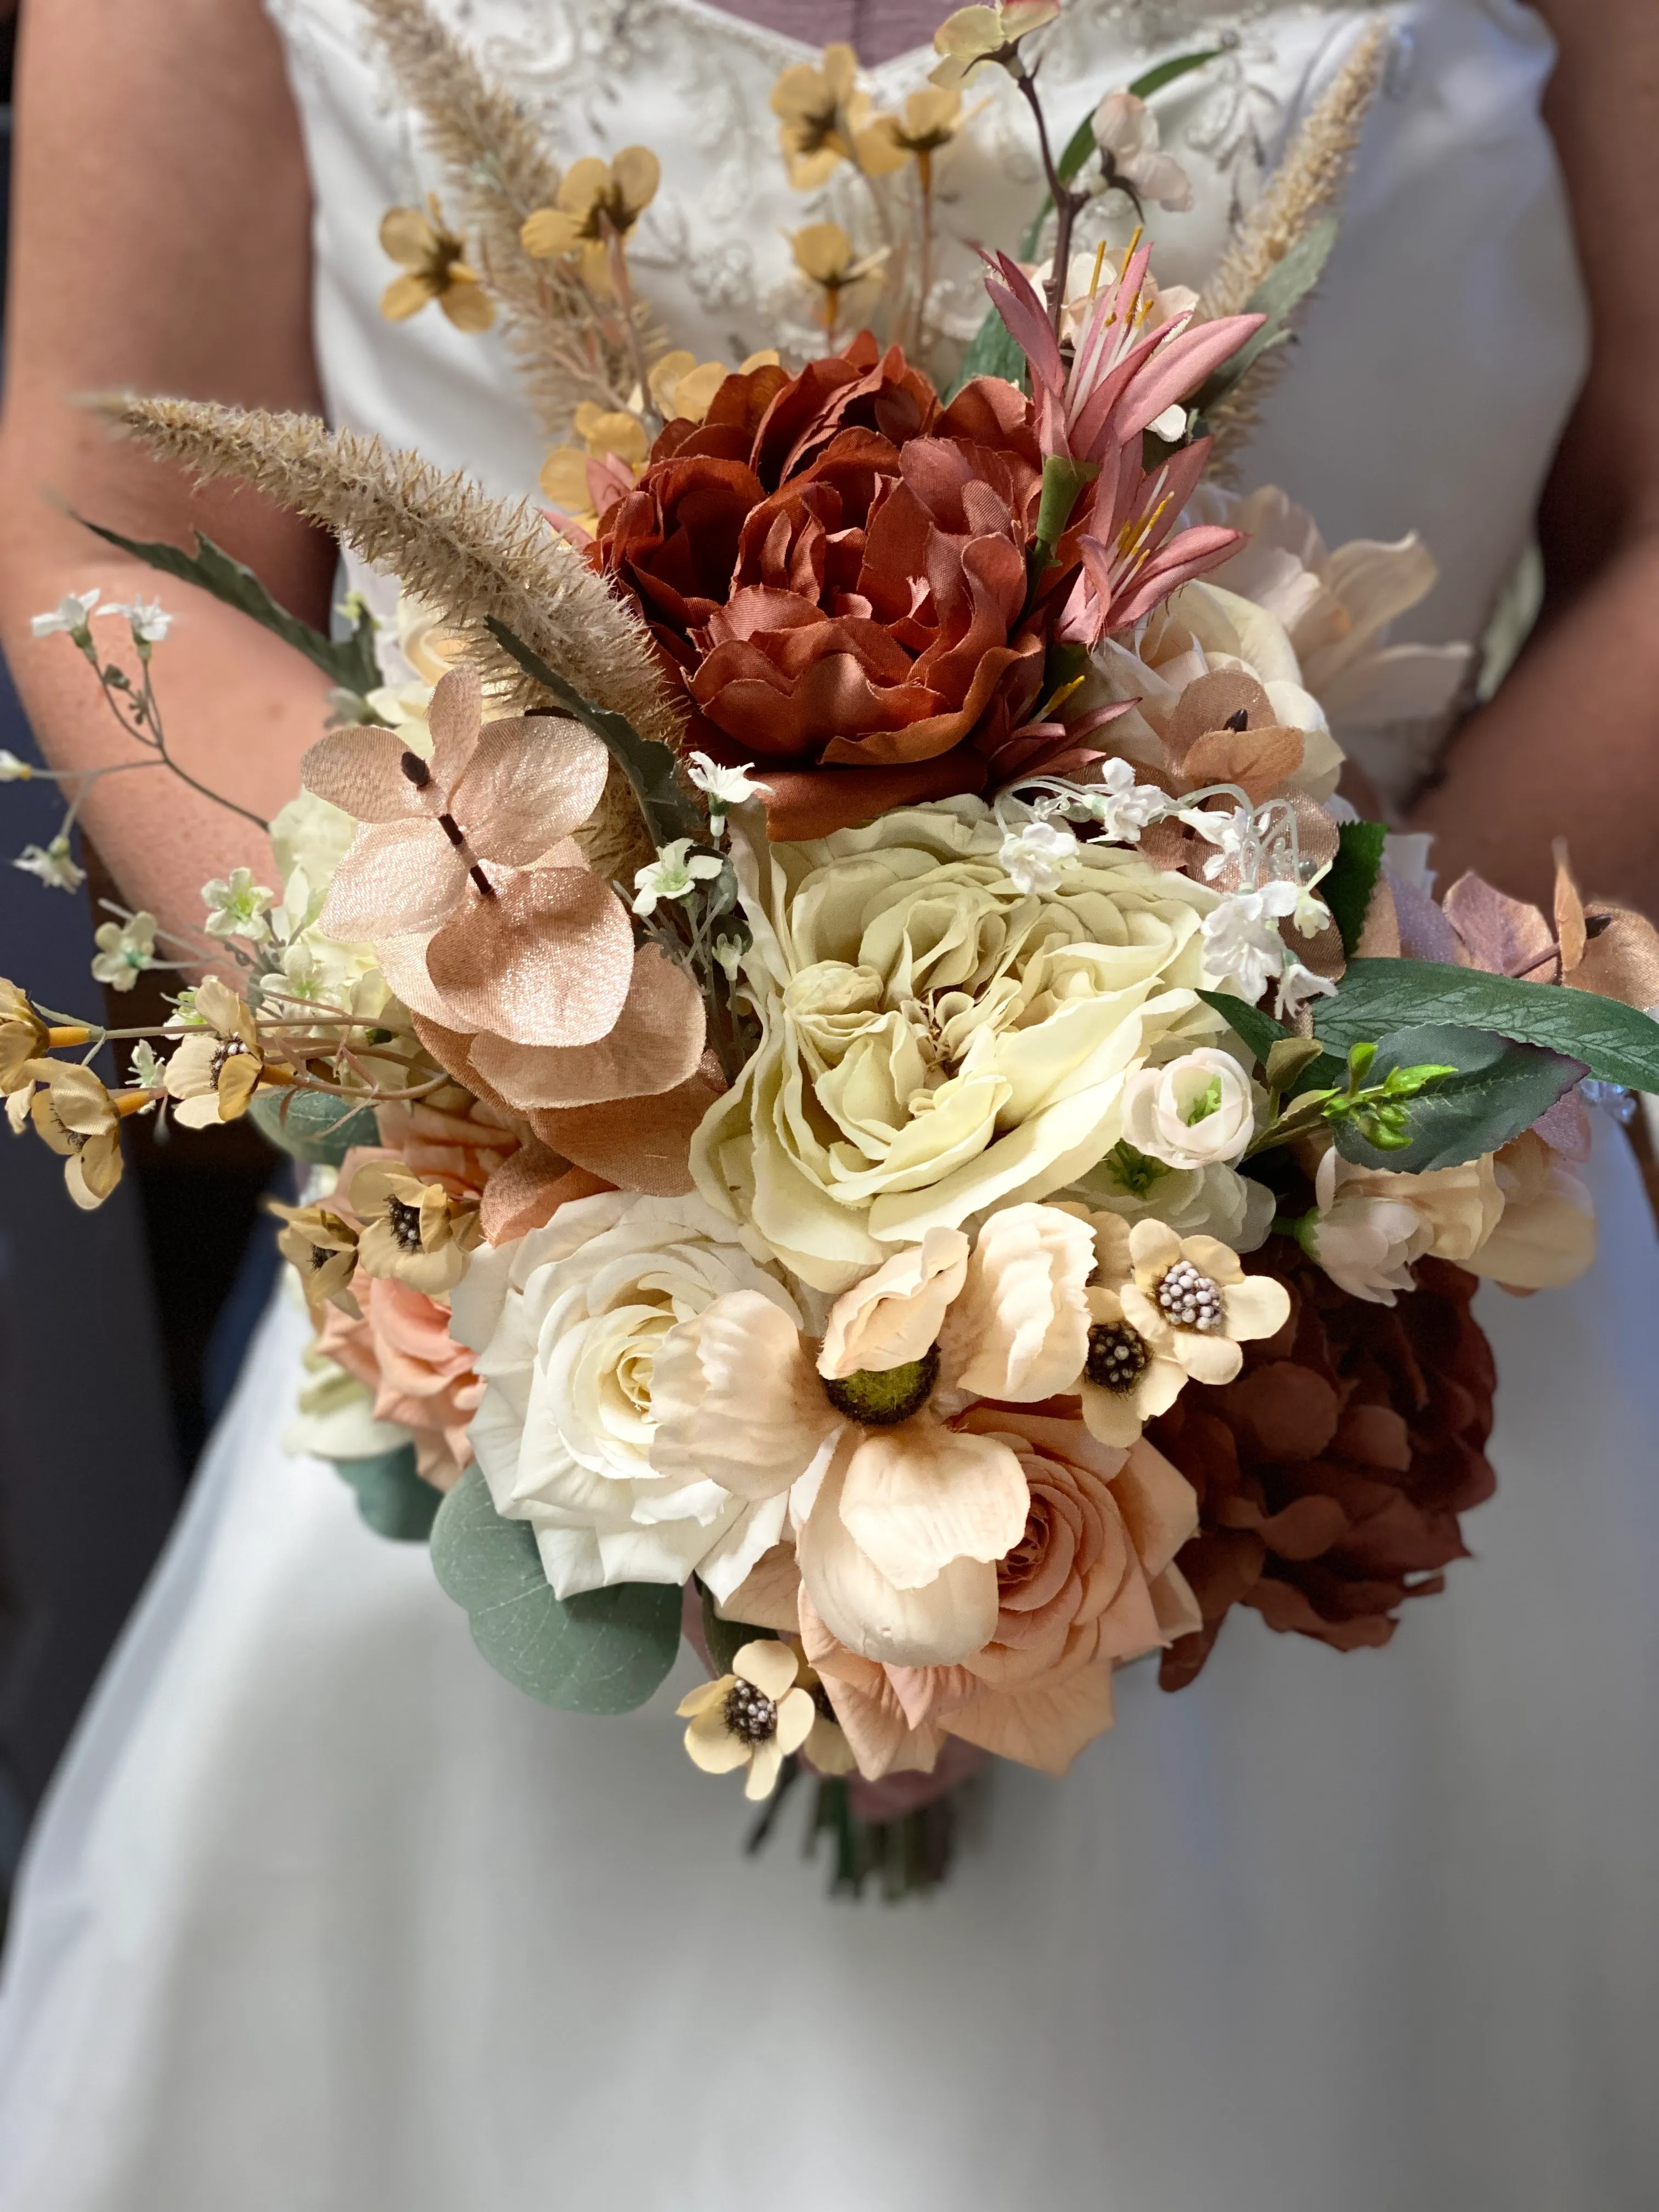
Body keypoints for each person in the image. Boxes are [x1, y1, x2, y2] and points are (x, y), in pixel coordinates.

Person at [0, 2, 1655, 2206]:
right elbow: (110, 502)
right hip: (536, 1338)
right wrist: (547, 1141)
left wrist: (1300, 1122)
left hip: (1392, 1325)